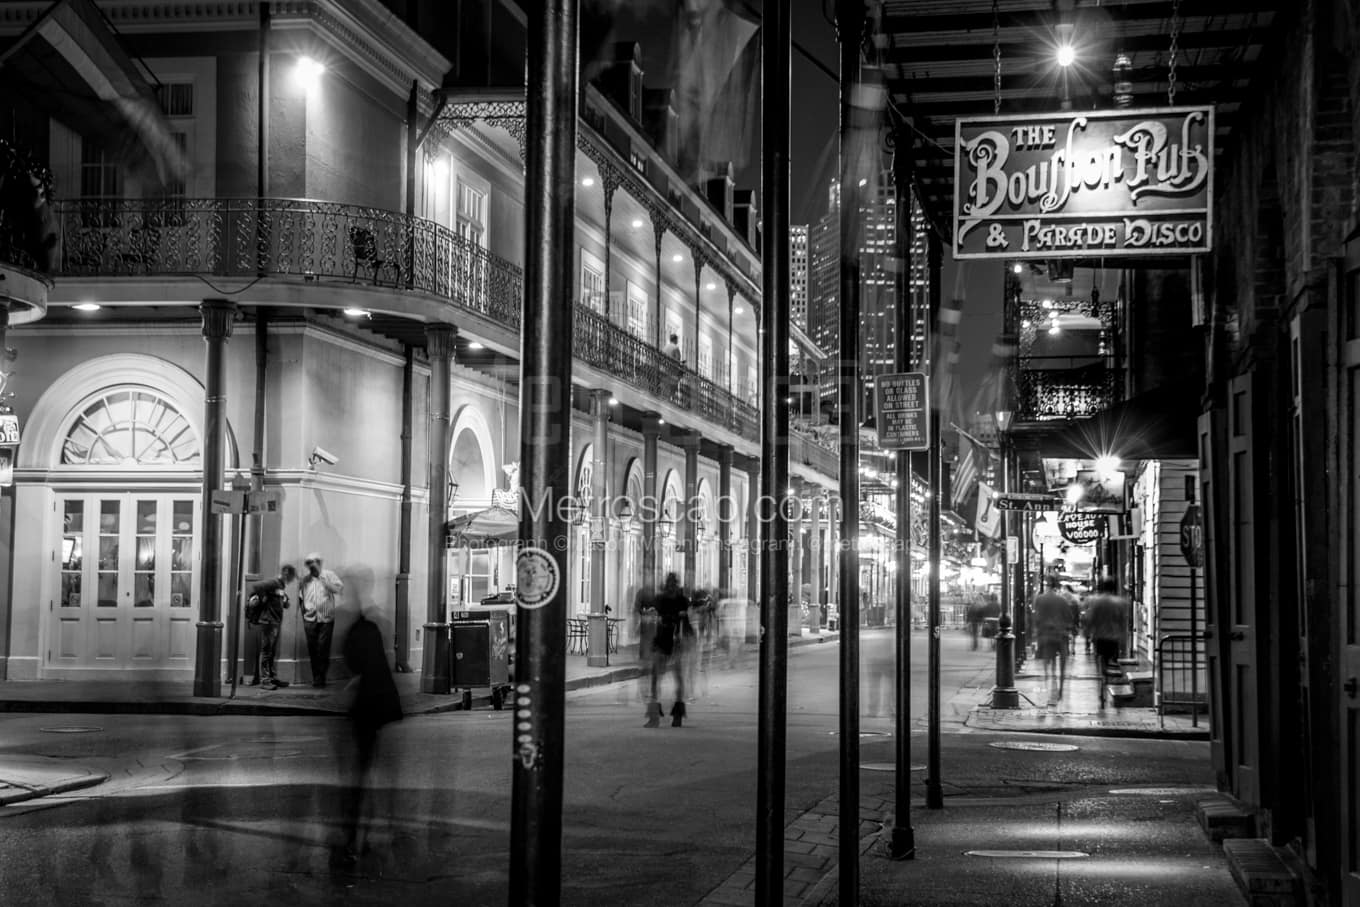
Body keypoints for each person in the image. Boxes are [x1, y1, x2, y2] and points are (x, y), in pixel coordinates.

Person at [340, 605, 402, 860]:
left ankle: (356, 838)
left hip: (366, 712)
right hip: (373, 713)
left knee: (361, 775)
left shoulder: (360, 634)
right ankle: (368, 833)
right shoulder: (370, 632)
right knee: (368, 772)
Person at [646, 572, 693, 727]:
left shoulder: (677, 600)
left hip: (670, 639)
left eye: (673, 583)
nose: (671, 586)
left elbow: (685, 621)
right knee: (665, 677)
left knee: (665, 677)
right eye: (670, 584)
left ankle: (665, 714)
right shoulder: (673, 600)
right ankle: (667, 714)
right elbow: (656, 616)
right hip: (667, 639)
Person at [249, 564, 297, 690]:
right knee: (266, 652)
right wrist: (263, 597)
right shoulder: (274, 582)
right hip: (268, 621)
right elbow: (257, 586)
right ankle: (265, 681)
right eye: (291, 577)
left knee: (271, 652)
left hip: (275, 621)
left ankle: (271, 678)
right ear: (286, 573)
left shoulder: (281, 585)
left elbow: (282, 602)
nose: (291, 580)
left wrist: (285, 601)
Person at [1084, 578, 1130, 706]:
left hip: (1100, 637)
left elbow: (1090, 619)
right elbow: (1122, 622)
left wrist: (1088, 634)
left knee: (1102, 663)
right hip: (1114, 638)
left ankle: (1102, 686)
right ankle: (1113, 683)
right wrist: (1122, 638)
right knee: (1113, 663)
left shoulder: (1095, 602)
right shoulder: (1120, 602)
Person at [300, 552, 343, 687]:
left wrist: (324, 581)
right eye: (309, 564)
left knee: (323, 649)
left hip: (326, 619)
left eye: (314, 563)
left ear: (319, 563)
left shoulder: (329, 575)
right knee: (313, 650)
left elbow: (338, 589)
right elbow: (301, 598)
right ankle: (316, 678)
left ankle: (321, 678)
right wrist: (304, 615)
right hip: (309, 619)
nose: (312, 566)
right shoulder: (304, 580)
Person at [1031, 575, 1071, 703]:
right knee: (1063, 665)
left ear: (1047, 585)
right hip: (1060, 636)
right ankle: (1060, 690)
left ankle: (1050, 687)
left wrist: (1037, 631)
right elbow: (1069, 619)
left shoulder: (1040, 599)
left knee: (1047, 665)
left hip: (1046, 636)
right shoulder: (1062, 600)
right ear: (1057, 586)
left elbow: (1036, 618)